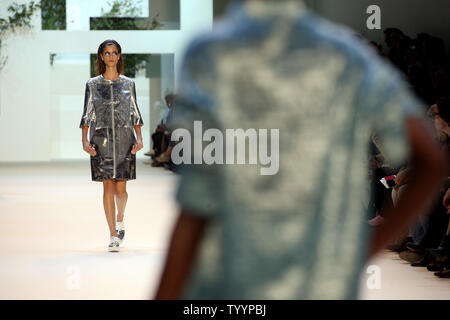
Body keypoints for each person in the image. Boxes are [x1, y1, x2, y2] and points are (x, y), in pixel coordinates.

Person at [154, 0, 447, 299]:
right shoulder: (346, 55)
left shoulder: (211, 52)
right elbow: (431, 158)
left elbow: (197, 205)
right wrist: (366, 248)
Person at [79, 39, 144, 252]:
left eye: (114, 53)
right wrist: (85, 140)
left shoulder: (128, 84)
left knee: (121, 189)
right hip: (101, 139)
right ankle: (113, 235)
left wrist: (139, 138)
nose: (111, 57)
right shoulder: (92, 85)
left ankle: (120, 217)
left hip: (125, 139)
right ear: (101, 56)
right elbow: (87, 113)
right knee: (107, 185)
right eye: (106, 53)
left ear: (119, 56)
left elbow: (134, 111)